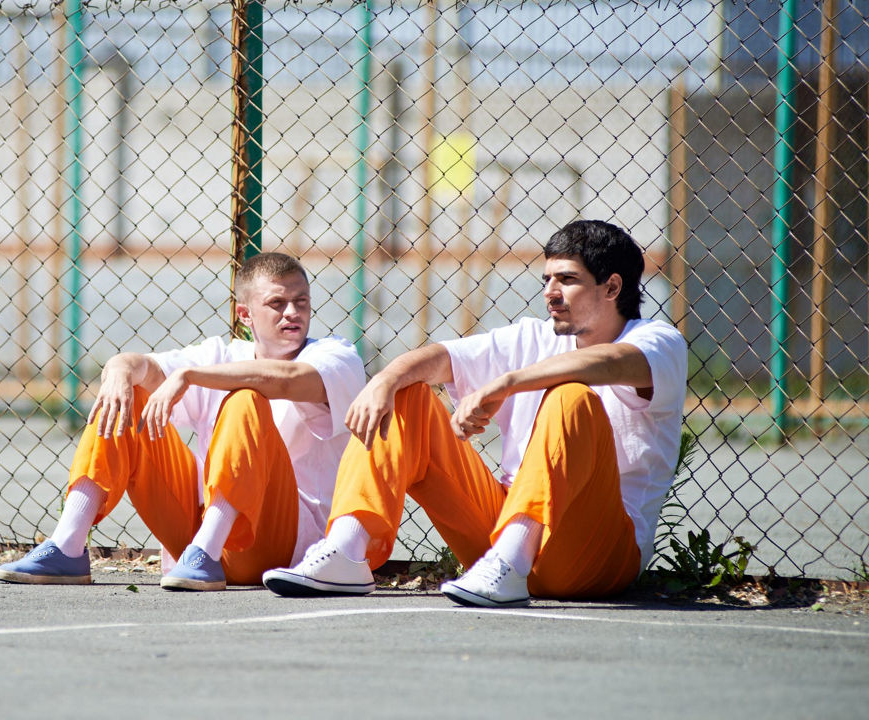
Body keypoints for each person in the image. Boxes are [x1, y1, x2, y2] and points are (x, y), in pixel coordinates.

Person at [263, 220, 688, 606]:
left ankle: (512, 557)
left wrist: (508, 382)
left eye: (567, 280)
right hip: (495, 534)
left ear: (612, 288)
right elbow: (440, 356)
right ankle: (347, 550)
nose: (549, 292)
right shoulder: (531, 337)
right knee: (408, 394)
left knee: (569, 396)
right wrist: (384, 381)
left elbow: (607, 364)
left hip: (593, 552)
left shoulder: (658, 341)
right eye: (547, 279)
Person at [0, 252, 365, 590]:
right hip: (194, 539)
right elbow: (144, 368)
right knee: (131, 396)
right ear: (245, 315)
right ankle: (68, 546)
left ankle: (208, 548)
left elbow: (280, 379)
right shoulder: (219, 352)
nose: (292, 313)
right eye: (277, 304)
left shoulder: (335, 355)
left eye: (301, 302)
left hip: (279, 546)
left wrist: (192, 376)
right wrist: (119, 369)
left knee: (246, 397)